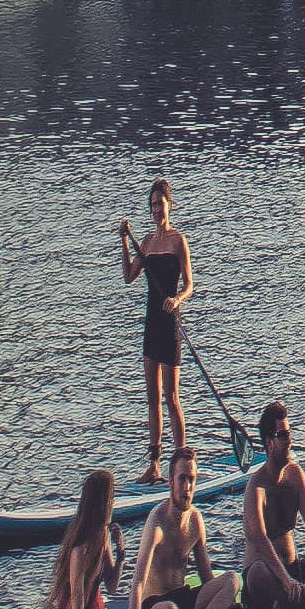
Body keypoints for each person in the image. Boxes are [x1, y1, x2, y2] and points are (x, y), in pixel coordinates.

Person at [117, 178, 194, 481]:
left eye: (160, 204)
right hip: (151, 323)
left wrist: (177, 299)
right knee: (152, 397)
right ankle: (155, 464)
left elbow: (190, 285)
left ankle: (183, 461)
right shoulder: (147, 242)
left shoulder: (178, 240)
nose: (156, 210)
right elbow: (128, 276)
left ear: (169, 205)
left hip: (169, 322)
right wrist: (124, 240)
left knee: (171, 396)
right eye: (151, 205)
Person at [132, 444, 243, 609]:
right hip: (156, 608)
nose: (187, 487)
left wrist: (228, 604)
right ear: (171, 482)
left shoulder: (195, 520)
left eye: (191, 479)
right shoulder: (157, 523)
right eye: (182, 479)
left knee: (232, 580)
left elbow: (207, 578)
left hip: (183, 598)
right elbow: (137, 584)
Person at [242, 400, 305, 609]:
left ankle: (292, 604)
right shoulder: (256, 487)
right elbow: (258, 537)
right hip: (267, 575)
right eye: (283, 436)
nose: (289, 441)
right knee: (258, 575)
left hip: (293, 570)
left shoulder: (295, 476)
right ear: (269, 442)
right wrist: (284, 579)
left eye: (289, 434)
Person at [48, 467, 130, 609]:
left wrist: (121, 554)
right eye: (111, 498)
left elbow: (112, 587)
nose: (113, 504)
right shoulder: (79, 551)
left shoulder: (103, 536)